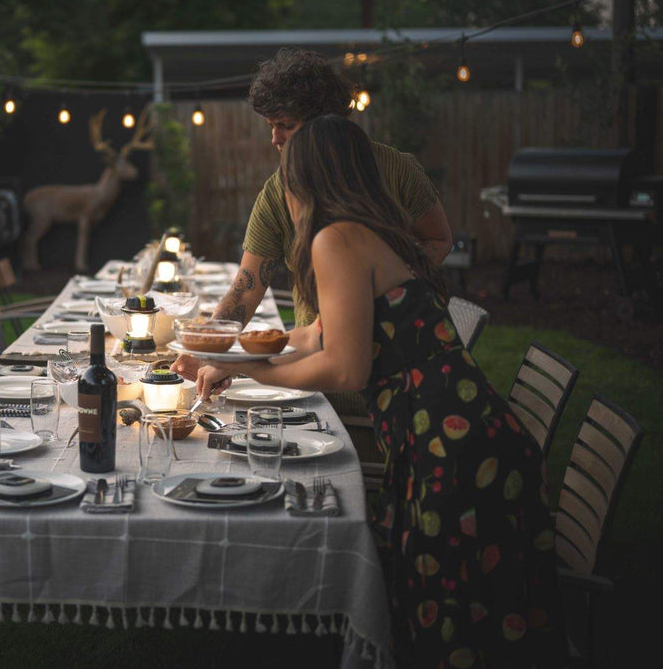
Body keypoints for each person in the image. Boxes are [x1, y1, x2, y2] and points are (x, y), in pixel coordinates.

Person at [197, 115, 564, 667]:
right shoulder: (365, 230)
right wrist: (232, 354)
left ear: (309, 178)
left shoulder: (334, 238)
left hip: (450, 448)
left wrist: (252, 373)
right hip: (466, 431)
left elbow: (346, 370)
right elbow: (316, 333)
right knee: (489, 624)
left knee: (457, 628)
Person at [173, 48, 452, 384]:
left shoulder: (337, 239)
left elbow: (345, 370)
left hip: (407, 406)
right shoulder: (339, 225)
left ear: (323, 128)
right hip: (347, 371)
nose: (274, 139)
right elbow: (309, 332)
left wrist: (248, 367)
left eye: (286, 126)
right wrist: (220, 354)